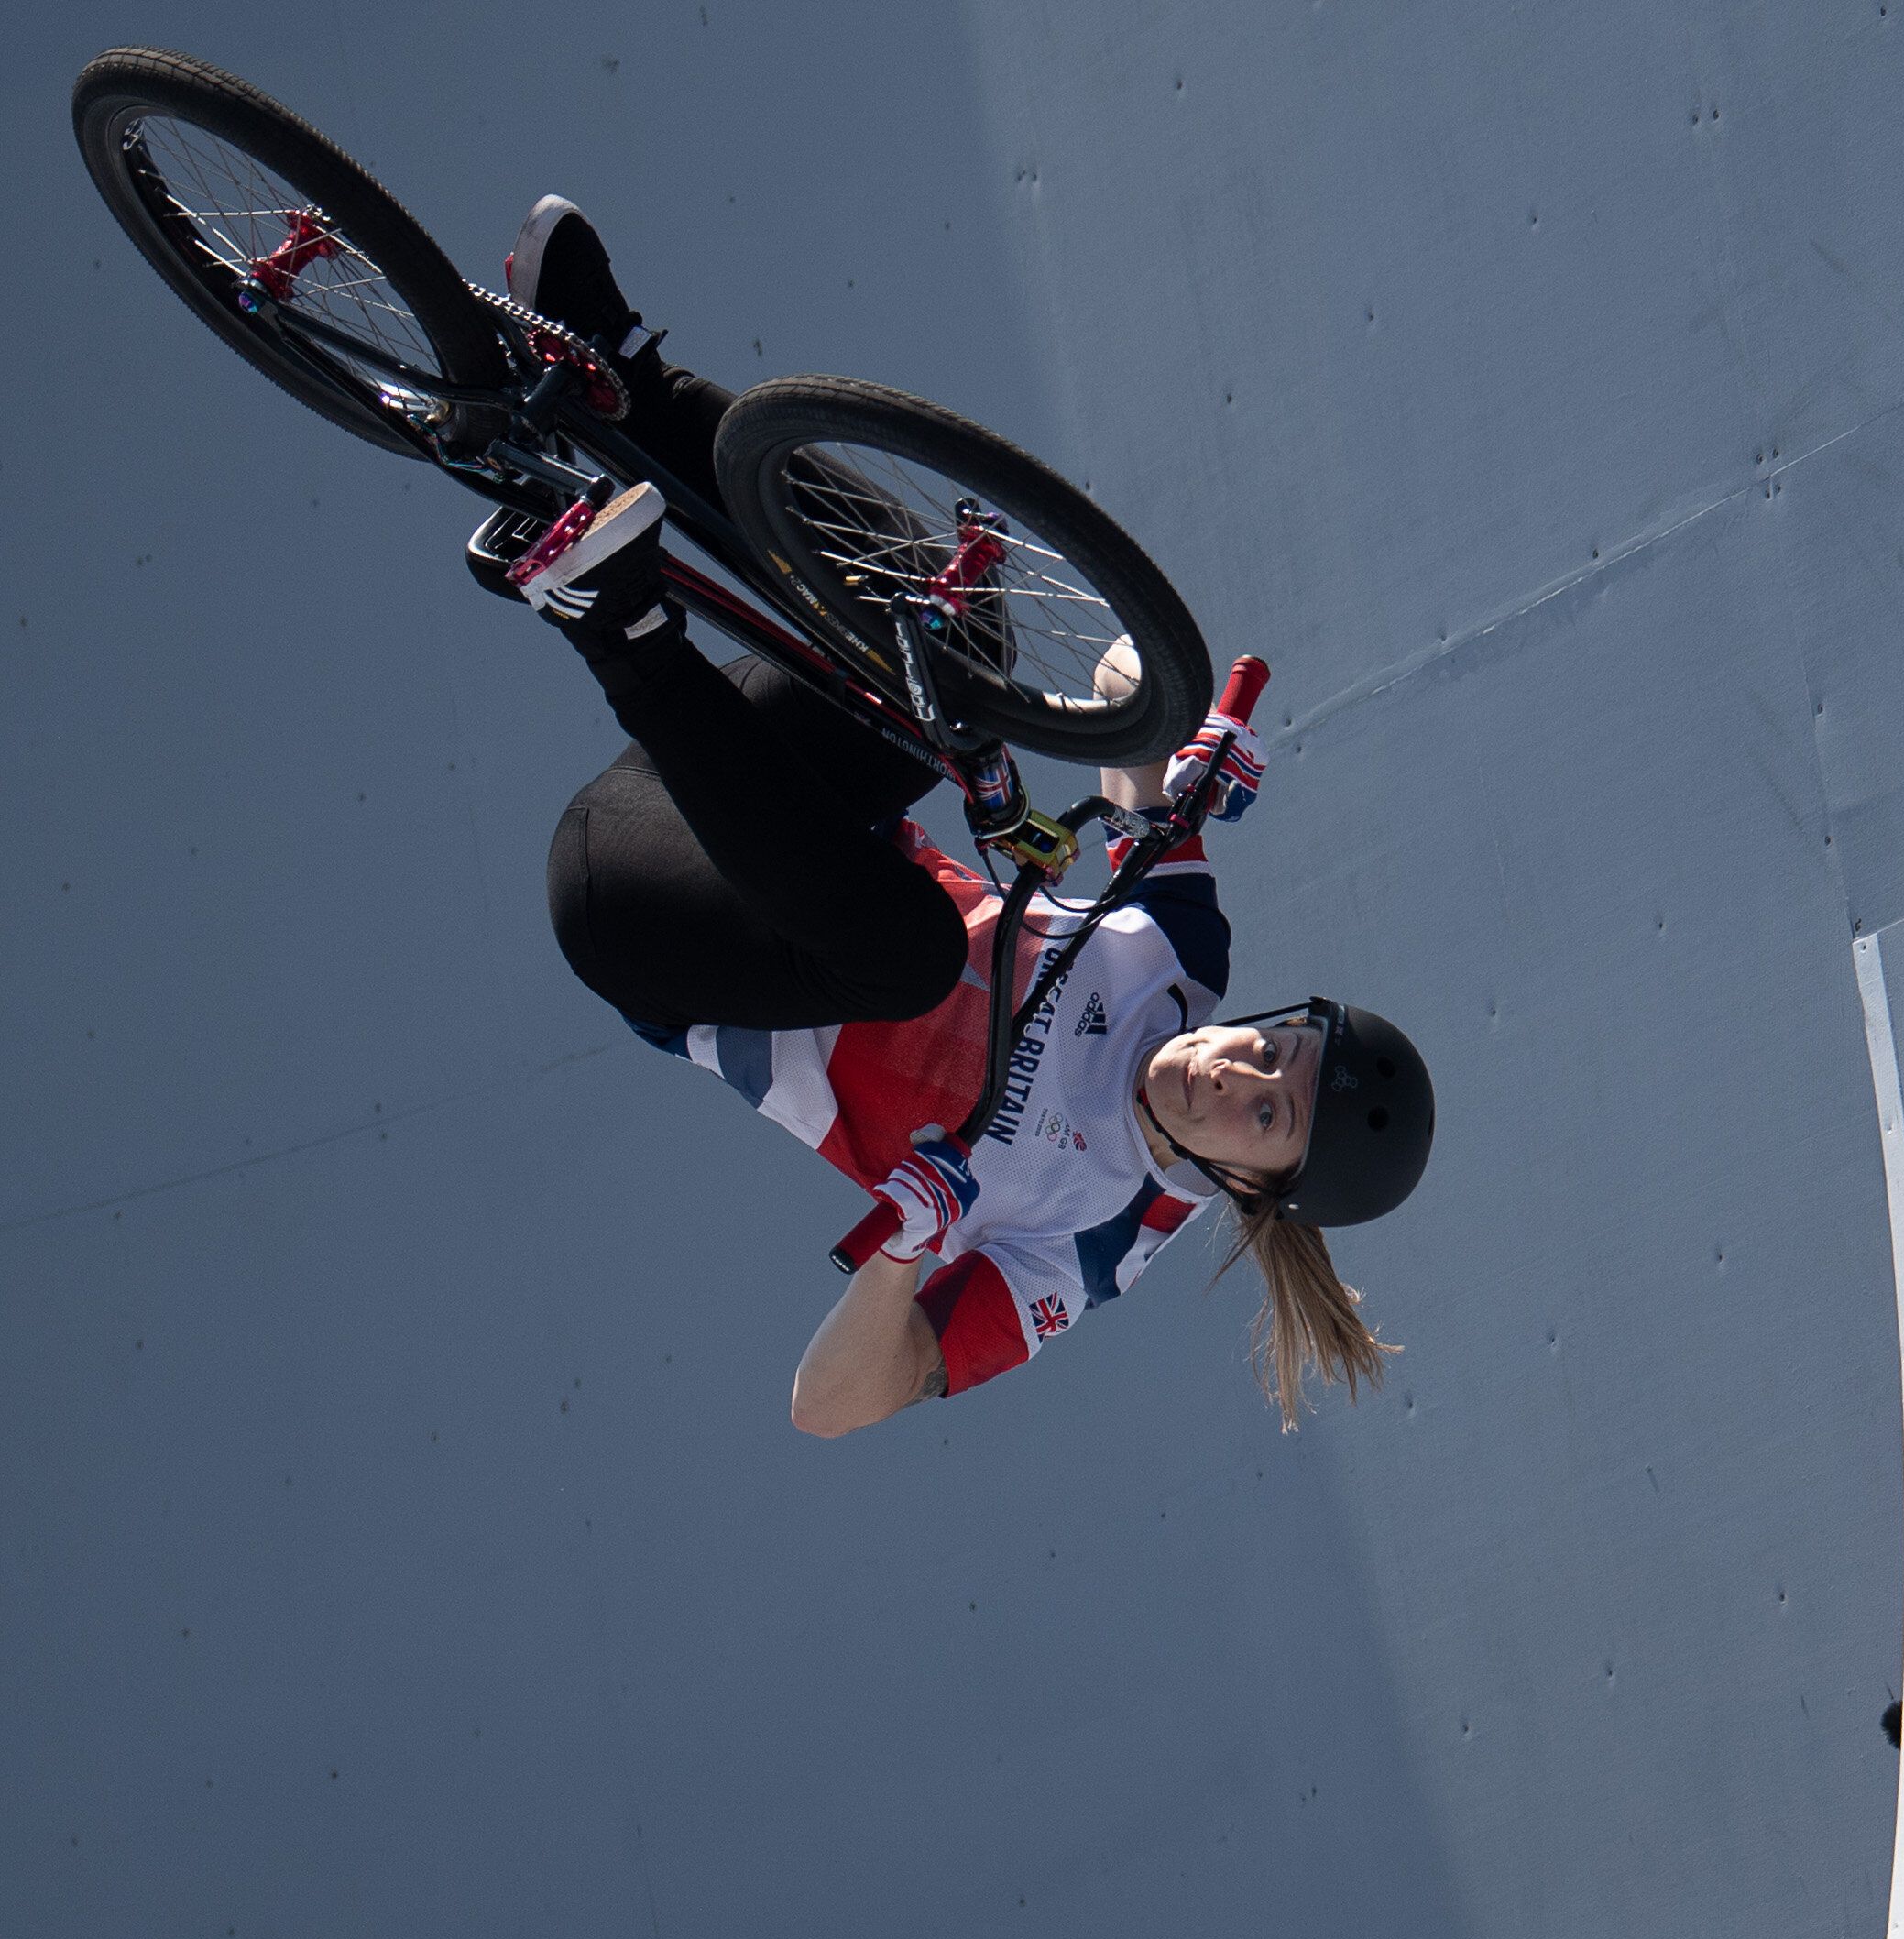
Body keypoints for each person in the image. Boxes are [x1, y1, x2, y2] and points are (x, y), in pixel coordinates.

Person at [487, 197, 1433, 1435]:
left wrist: (907, 1250)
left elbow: (828, 1410)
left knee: (912, 954)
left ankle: (610, 618)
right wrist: (1175, 737)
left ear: (1252, 1188)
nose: (1233, 1070)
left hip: (650, 916)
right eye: (1274, 1052)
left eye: (1266, 1115)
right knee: (959, 635)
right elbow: (1110, 701)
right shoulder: (1184, 964)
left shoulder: (1083, 1244)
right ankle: (623, 378)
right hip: (745, 789)